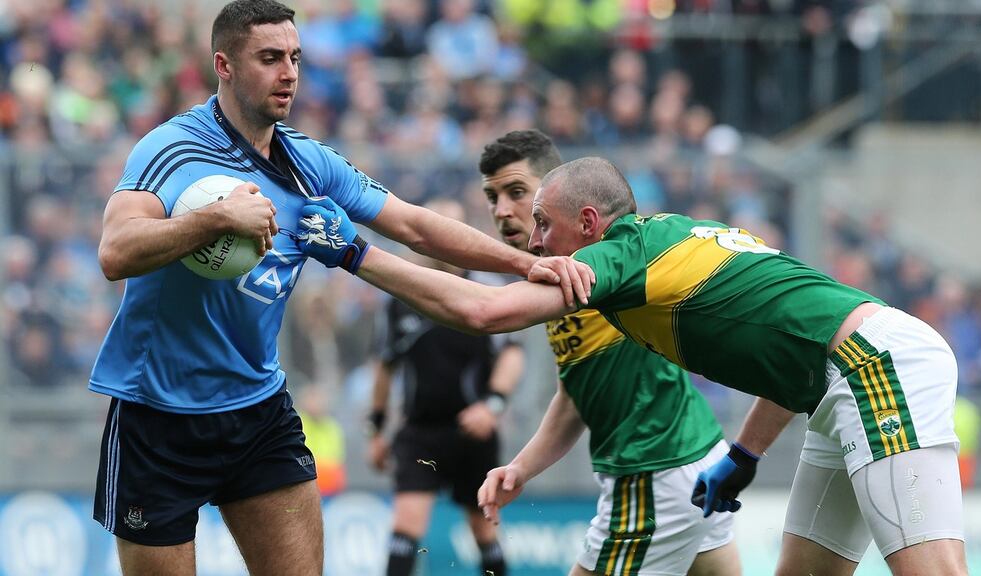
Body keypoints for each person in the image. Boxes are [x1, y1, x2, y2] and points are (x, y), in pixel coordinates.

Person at [89, 2, 587, 574]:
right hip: (156, 416)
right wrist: (216, 219)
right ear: (224, 65)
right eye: (270, 58)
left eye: (295, 58)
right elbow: (115, 252)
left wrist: (523, 264)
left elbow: (415, 226)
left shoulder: (307, 163)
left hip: (256, 410)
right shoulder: (172, 148)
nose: (289, 74)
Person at [295, 157, 968, 576]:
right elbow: (795, 351)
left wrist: (355, 253)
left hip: (873, 369)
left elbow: (484, 312)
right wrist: (744, 454)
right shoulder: (670, 239)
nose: (535, 244)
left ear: (590, 223)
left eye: (542, 223)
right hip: (840, 380)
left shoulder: (614, 260)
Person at [475, 130, 740, 575]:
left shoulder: (597, 266)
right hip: (696, 458)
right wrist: (521, 468)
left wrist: (361, 255)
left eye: (517, 193)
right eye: (492, 197)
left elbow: (482, 312)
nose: (502, 210)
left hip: (655, 469)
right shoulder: (561, 277)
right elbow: (575, 395)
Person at [367, 199, 522, 576]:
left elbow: (512, 354)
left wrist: (493, 406)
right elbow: (385, 366)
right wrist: (376, 429)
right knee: (405, 526)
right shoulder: (400, 297)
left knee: (484, 531)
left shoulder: (487, 288)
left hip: (474, 432)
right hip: (420, 433)